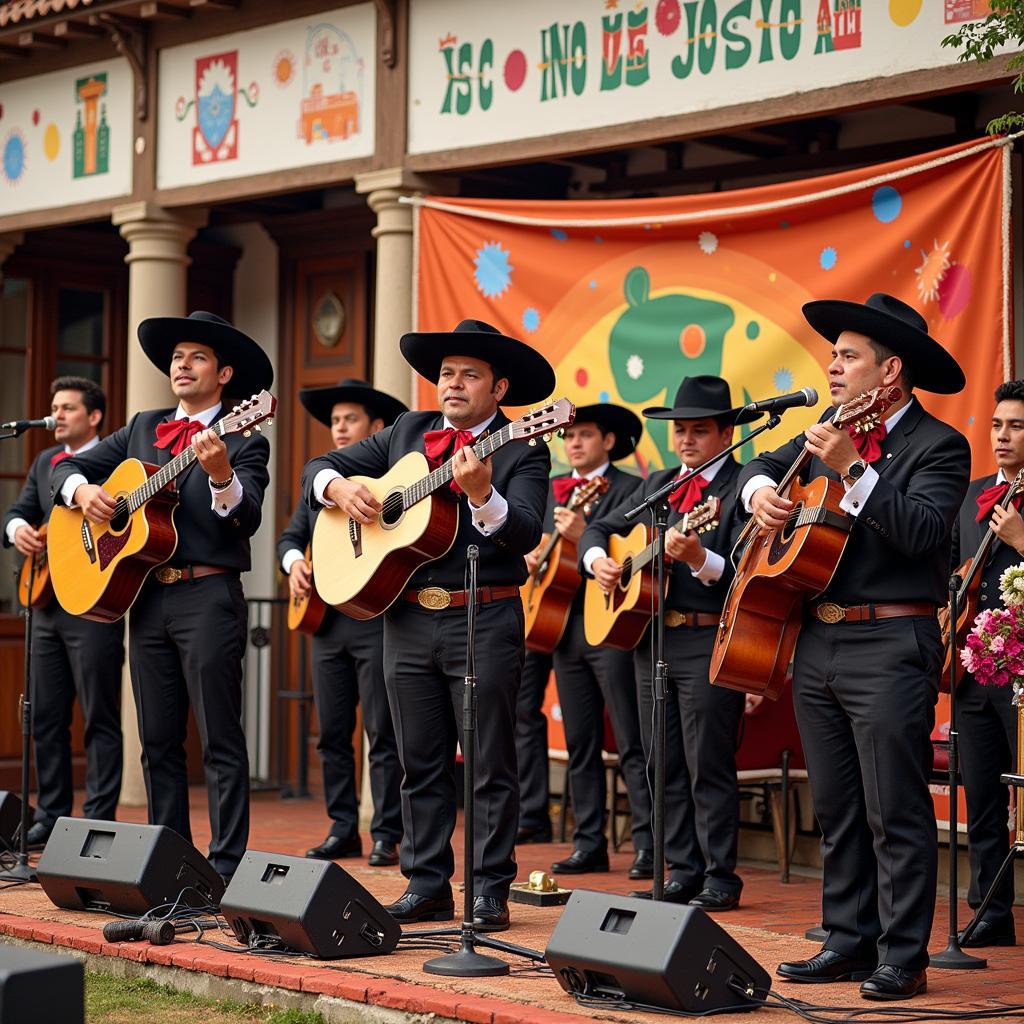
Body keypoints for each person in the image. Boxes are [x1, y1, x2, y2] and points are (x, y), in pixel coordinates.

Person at [741, 293, 970, 1000]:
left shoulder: (940, 444)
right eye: (834, 354)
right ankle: (847, 940)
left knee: (893, 808)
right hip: (820, 638)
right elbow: (754, 472)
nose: (833, 367)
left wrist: (852, 470)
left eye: (848, 356)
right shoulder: (824, 428)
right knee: (837, 806)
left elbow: (928, 532)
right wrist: (758, 495)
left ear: (890, 369)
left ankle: (904, 955)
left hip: (892, 638)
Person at [302, 319, 552, 931]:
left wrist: (482, 496)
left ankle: (490, 886)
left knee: (490, 757)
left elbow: (524, 531)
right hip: (407, 616)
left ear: (500, 389)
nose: (454, 384)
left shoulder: (526, 446)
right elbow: (320, 464)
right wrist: (339, 490)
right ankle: (427, 882)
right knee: (419, 757)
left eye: (470, 374)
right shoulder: (409, 431)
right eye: (446, 374)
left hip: (485, 612)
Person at [51, 311, 272, 882]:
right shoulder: (144, 426)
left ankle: (226, 867)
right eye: (176, 356)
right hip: (146, 598)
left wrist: (222, 475)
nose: (181, 364)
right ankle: (172, 862)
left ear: (224, 373)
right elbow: (66, 469)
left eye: (196, 357)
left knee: (220, 737)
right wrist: (85, 493)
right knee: (156, 739)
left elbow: (245, 518)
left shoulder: (246, 436)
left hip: (209, 594)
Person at [582, 377, 754, 908]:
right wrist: (601, 564)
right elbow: (598, 529)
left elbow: (747, 574)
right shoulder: (656, 482)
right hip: (650, 640)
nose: (685, 440)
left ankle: (721, 875)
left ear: (726, 432)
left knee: (708, 762)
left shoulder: (743, 487)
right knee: (662, 760)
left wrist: (697, 557)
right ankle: (681, 866)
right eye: (680, 430)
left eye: (698, 430)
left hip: (708, 638)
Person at [277, 378, 406, 866]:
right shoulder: (322, 487)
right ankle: (342, 828)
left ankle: (387, 832)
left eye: (349, 419)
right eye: (334, 421)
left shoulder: (389, 480)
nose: (339, 428)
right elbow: (289, 538)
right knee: (331, 732)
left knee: (381, 731)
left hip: (375, 620)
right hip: (326, 626)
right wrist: (295, 565)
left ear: (375, 428)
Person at [530, 405, 654, 879]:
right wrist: (534, 556)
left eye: (585, 435)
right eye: (570, 435)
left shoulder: (629, 487)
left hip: (614, 624)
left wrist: (586, 538)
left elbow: (631, 547)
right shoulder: (554, 491)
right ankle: (589, 843)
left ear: (608, 441)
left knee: (630, 738)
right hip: (563, 625)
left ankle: (646, 842)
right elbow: (540, 548)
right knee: (580, 740)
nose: (574, 443)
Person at [3, 376, 125, 846]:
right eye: (53, 407)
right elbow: (17, 511)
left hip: (95, 603)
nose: (56, 416)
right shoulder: (43, 462)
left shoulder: (113, 462)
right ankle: (51, 815)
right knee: (46, 714)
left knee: (100, 714)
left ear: (94, 416)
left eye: (67, 408)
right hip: (46, 603)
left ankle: (98, 819)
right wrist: (18, 531)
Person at [950, 379, 1024, 948]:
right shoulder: (972, 494)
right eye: (997, 425)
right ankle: (991, 911)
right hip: (977, 670)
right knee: (981, 794)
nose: (1002, 436)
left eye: (1016, 426)